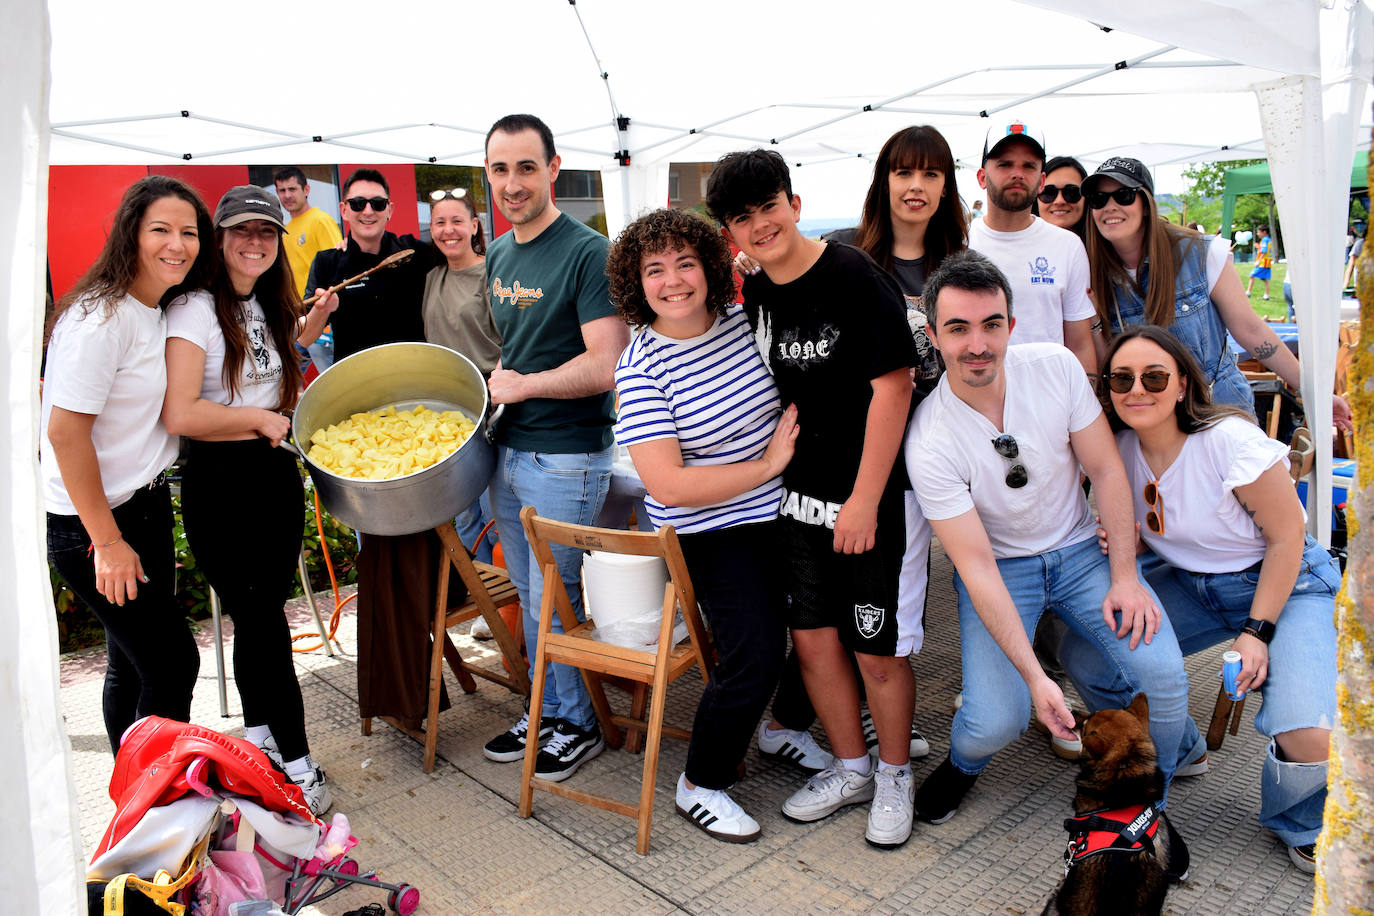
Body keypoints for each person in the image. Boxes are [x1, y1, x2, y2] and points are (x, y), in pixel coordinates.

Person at [902, 250, 1201, 835]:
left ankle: (1147, 801)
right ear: (935, 336)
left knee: (1164, 676)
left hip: (1082, 554)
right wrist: (1038, 681)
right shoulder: (929, 439)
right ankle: (963, 766)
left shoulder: (1057, 366)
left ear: (1011, 325)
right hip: (1001, 569)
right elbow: (977, 568)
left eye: (991, 324)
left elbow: (1109, 472)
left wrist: (1124, 576)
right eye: (958, 329)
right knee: (996, 723)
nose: (977, 344)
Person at [707, 149, 924, 849]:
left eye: (769, 206)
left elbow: (895, 386)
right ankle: (851, 766)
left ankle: (894, 775)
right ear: (731, 234)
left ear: (794, 205)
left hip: (869, 497)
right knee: (813, 640)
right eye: (743, 217)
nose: (761, 224)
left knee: (877, 649)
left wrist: (864, 498)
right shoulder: (759, 293)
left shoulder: (854, 273)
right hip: (797, 498)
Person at [752, 124, 963, 767]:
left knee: (882, 615)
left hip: (928, 452)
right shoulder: (845, 256)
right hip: (848, 458)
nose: (917, 186)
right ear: (884, 182)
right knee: (828, 617)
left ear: (947, 185)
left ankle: (874, 726)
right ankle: (834, 727)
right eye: (905, 172)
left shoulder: (958, 266)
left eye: (931, 174)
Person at [1098, 324, 1339, 874]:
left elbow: (1286, 540)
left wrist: (1256, 634)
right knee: (1093, 651)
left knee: (1307, 735)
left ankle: (1302, 819)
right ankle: (1182, 747)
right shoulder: (1118, 450)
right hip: (1189, 582)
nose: (1137, 388)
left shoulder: (1230, 440)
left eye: (1155, 376)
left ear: (1183, 384)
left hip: (1288, 584)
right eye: (1122, 378)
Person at [609, 207, 797, 842]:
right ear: (637, 283)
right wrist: (766, 463)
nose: (673, 281)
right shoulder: (639, 369)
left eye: (685, 263)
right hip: (710, 530)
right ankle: (702, 782)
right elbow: (670, 485)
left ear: (709, 266)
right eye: (655, 269)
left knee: (829, 622)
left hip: (784, 507)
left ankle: (785, 728)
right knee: (756, 651)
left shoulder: (743, 320)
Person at [161, 186, 333, 814]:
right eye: (241, 231)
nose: (255, 242)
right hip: (221, 484)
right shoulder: (194, 311)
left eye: (267, 232)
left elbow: (270, 365)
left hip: (272, 480)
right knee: (264, 624)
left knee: (262, 618)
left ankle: (258, 741)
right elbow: (180, 411)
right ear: (219, 238)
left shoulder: (263, 302)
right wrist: (260, 421)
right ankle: (298, 759)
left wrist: (306, 330)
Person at [479, 114, 629, 783]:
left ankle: (579, 724)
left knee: (555, 598)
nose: (512, 183)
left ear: (553, 169)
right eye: (500, 169)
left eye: (525, 168)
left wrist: (523, 385)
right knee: (530, 592)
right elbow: (516, 351)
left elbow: (607, 365)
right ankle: (549, 708)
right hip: (510, 450)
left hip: (568, 455)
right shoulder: (501, 252)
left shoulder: (588, 252)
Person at [42, 175, 211, 753]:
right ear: (129, 234)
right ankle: (159, 814)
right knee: (172, 666)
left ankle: (136, 809)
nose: (177, 244)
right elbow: (65, 434)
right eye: (160, 229)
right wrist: (107, 543)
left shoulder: (150, 308)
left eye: (189, 232)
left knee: (131, 666)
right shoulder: (101, 318)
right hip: (96, 528)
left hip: (143, 507)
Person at [1082, 157, 1353, 430]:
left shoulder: (1200, 253)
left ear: (1146, 204)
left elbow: (1250, 330)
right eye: (1098, 199)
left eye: (1124, 195)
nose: (1110, 206)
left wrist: (1312, 392)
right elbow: (1111, 364)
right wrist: (1093, 320)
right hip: (1151, 432)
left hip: (1219, 415)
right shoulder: (1091, 271)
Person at [967, 120, 1097, 377]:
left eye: (1029, 166)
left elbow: (1080, 344)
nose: (1017, 174)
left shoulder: (1067, 246)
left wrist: (1086, 404)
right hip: (975, 403)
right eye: (1005, 164)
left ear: (1041, 181)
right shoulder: (960, 243)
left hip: (1051, 403)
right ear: (982, 177)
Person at [421, 187, 502, 564]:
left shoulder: (493, 273)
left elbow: (513, 341)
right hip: (447, 416)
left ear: (474, 225)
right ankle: (485, 604)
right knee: (465, 513)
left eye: (456, 221)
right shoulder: (430, 276)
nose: (448, 230)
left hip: (491, 410)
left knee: (495, 514)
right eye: (440, 222)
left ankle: (511, 611)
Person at [304, 168, 441, 362]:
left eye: (378, 204)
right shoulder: (327, 262)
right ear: (344, 210)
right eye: (357, 204)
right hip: (356, 382)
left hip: (412, 378)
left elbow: (459, 255)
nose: (368, 211)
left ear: (389, 210)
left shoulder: (413, 252)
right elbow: (305, 337)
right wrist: (322, 310)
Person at [274, 166, 343, 372]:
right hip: (297, 319)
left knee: (332, 377)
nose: (287, 195)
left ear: (306, 189)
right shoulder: (286, 230)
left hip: (322, 318)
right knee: (290, 378)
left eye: (292, 189)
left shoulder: (320, 220)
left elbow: (337, 267)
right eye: (281, 190)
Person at [1033, 155, 1088, 241]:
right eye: (1048, 193)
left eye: (1071, 192)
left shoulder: (1106, 249)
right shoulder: (1018, 247)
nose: (1059, 201)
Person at [1246, 224, 1273, 299]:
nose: (1258, 234)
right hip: (1267, 263)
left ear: (1264, 232)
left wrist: (1258, 261)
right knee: (1266, 280)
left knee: (1251, 275)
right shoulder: (1268, 240)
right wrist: (1259, 247)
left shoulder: (1264, 240)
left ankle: (1248, 292)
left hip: (1262, 263)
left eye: (1258, 232)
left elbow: (1263, 252)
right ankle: (1266, 295)